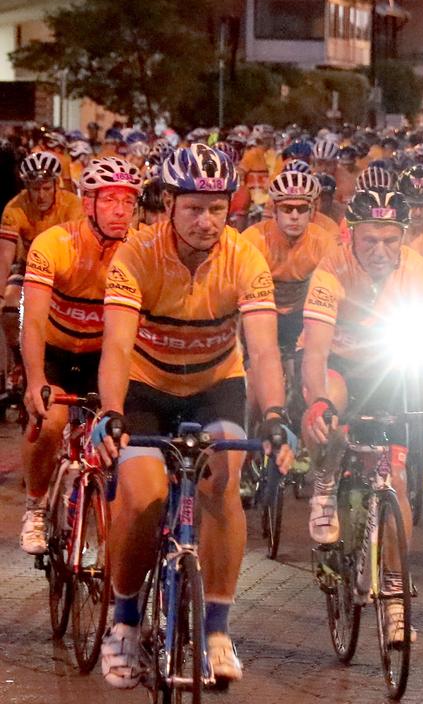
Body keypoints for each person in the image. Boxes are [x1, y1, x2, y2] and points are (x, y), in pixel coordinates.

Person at [93, 143, 294, 689]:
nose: (206, 221)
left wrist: (274, 413)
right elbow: (115, 348)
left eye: (216, 208)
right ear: (168, 205)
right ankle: (126, 622)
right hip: (147, 389)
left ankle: (217, 632)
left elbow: (265, 351)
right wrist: (111, 412)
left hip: (215, 387)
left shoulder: (245, 259)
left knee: (223, 483)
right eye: (193, 209)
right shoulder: (135, 255)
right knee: (143, 494)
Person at [299, 189, 423, 643]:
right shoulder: (331, 268)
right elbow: (314, 351)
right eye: (370, 240)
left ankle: (394, 599)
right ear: (351, 235)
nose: (380, 251)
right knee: (328, 408)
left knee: (397, 480)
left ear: (403, 238)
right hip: (337, 364)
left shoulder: (419, 271)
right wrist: (318, 402)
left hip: (388, 366)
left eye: (391, 241)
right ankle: (326, 479)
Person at [17, 157, 139, 555]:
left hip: (102, 359)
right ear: (87, 203)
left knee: (118, 438)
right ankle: (36, 505)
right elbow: (31, 322)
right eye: (110, 201)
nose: (121, 210)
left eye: (128, 201)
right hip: (54, 354)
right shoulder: (54, 244)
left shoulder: (137, 251)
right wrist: (35, 382)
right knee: (51, 422)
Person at [240, 170, 339, 398]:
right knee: (255, 385)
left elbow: (333, 296)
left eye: (302, 209)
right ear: (274, 210)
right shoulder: (251, 240)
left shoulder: (323, 242)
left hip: (301, 317)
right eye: (287, 209)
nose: (294, 216)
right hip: (259, 317)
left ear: (311, 211)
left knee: (307, 380)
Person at [0, 152, 84, 379]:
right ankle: (19, 361)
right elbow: (5, 256)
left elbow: (77, 251)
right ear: (26, 186)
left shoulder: (72, 204)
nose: (41, 195)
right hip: (28, 267)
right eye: (35, 188)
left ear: (56, 184)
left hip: (62, 270)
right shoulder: (15, 207)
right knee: (8, 308)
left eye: (46, 188)